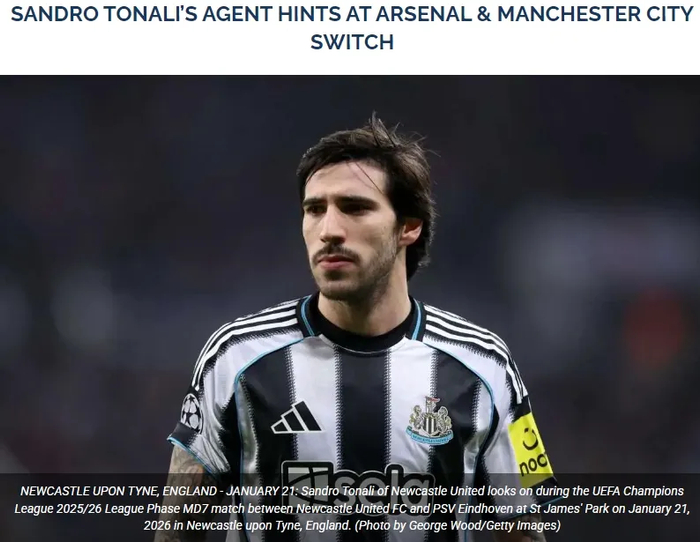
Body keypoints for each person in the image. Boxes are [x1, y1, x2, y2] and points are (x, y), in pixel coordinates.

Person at [155, 115, 559, 542]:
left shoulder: (485, 365)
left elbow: (524, 531)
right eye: (315, 210)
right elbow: (175, 532)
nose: (329, 230)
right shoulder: (236, 356)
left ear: (409, 226)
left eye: (354, 207)